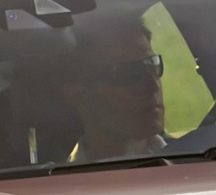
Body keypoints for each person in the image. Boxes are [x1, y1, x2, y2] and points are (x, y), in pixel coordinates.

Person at [63, 15, 166, 163]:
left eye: (152, 63)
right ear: (78, 94)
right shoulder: (65, 179)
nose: (152, 86)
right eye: (126, 73)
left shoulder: (194, 157)